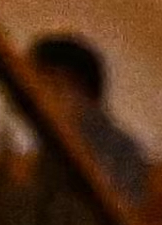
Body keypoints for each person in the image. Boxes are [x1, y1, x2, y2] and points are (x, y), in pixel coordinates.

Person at [21, 31, 154, 205]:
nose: (40, 101)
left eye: (46, 87)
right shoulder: (55, 142)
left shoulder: (120, 150)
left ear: (74, 87)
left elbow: (120, 210)